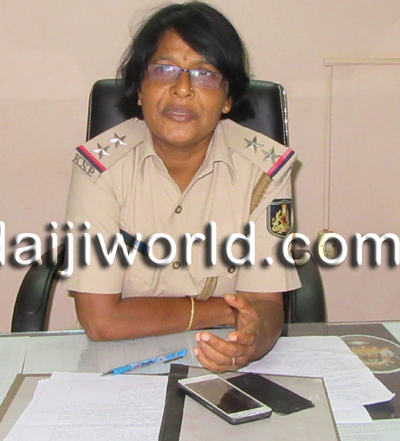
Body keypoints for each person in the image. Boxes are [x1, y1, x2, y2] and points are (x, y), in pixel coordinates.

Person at [65, 1, 300, 373]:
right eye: (164, 69)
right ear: (139, 89)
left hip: (223, 359)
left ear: (228, 99)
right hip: (121, 364)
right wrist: (223, 310)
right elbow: (100, 321)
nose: (183, 89)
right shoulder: (99, 168)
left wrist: (252, 340)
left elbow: (266, 305)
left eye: (205, 74)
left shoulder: (264, 171)